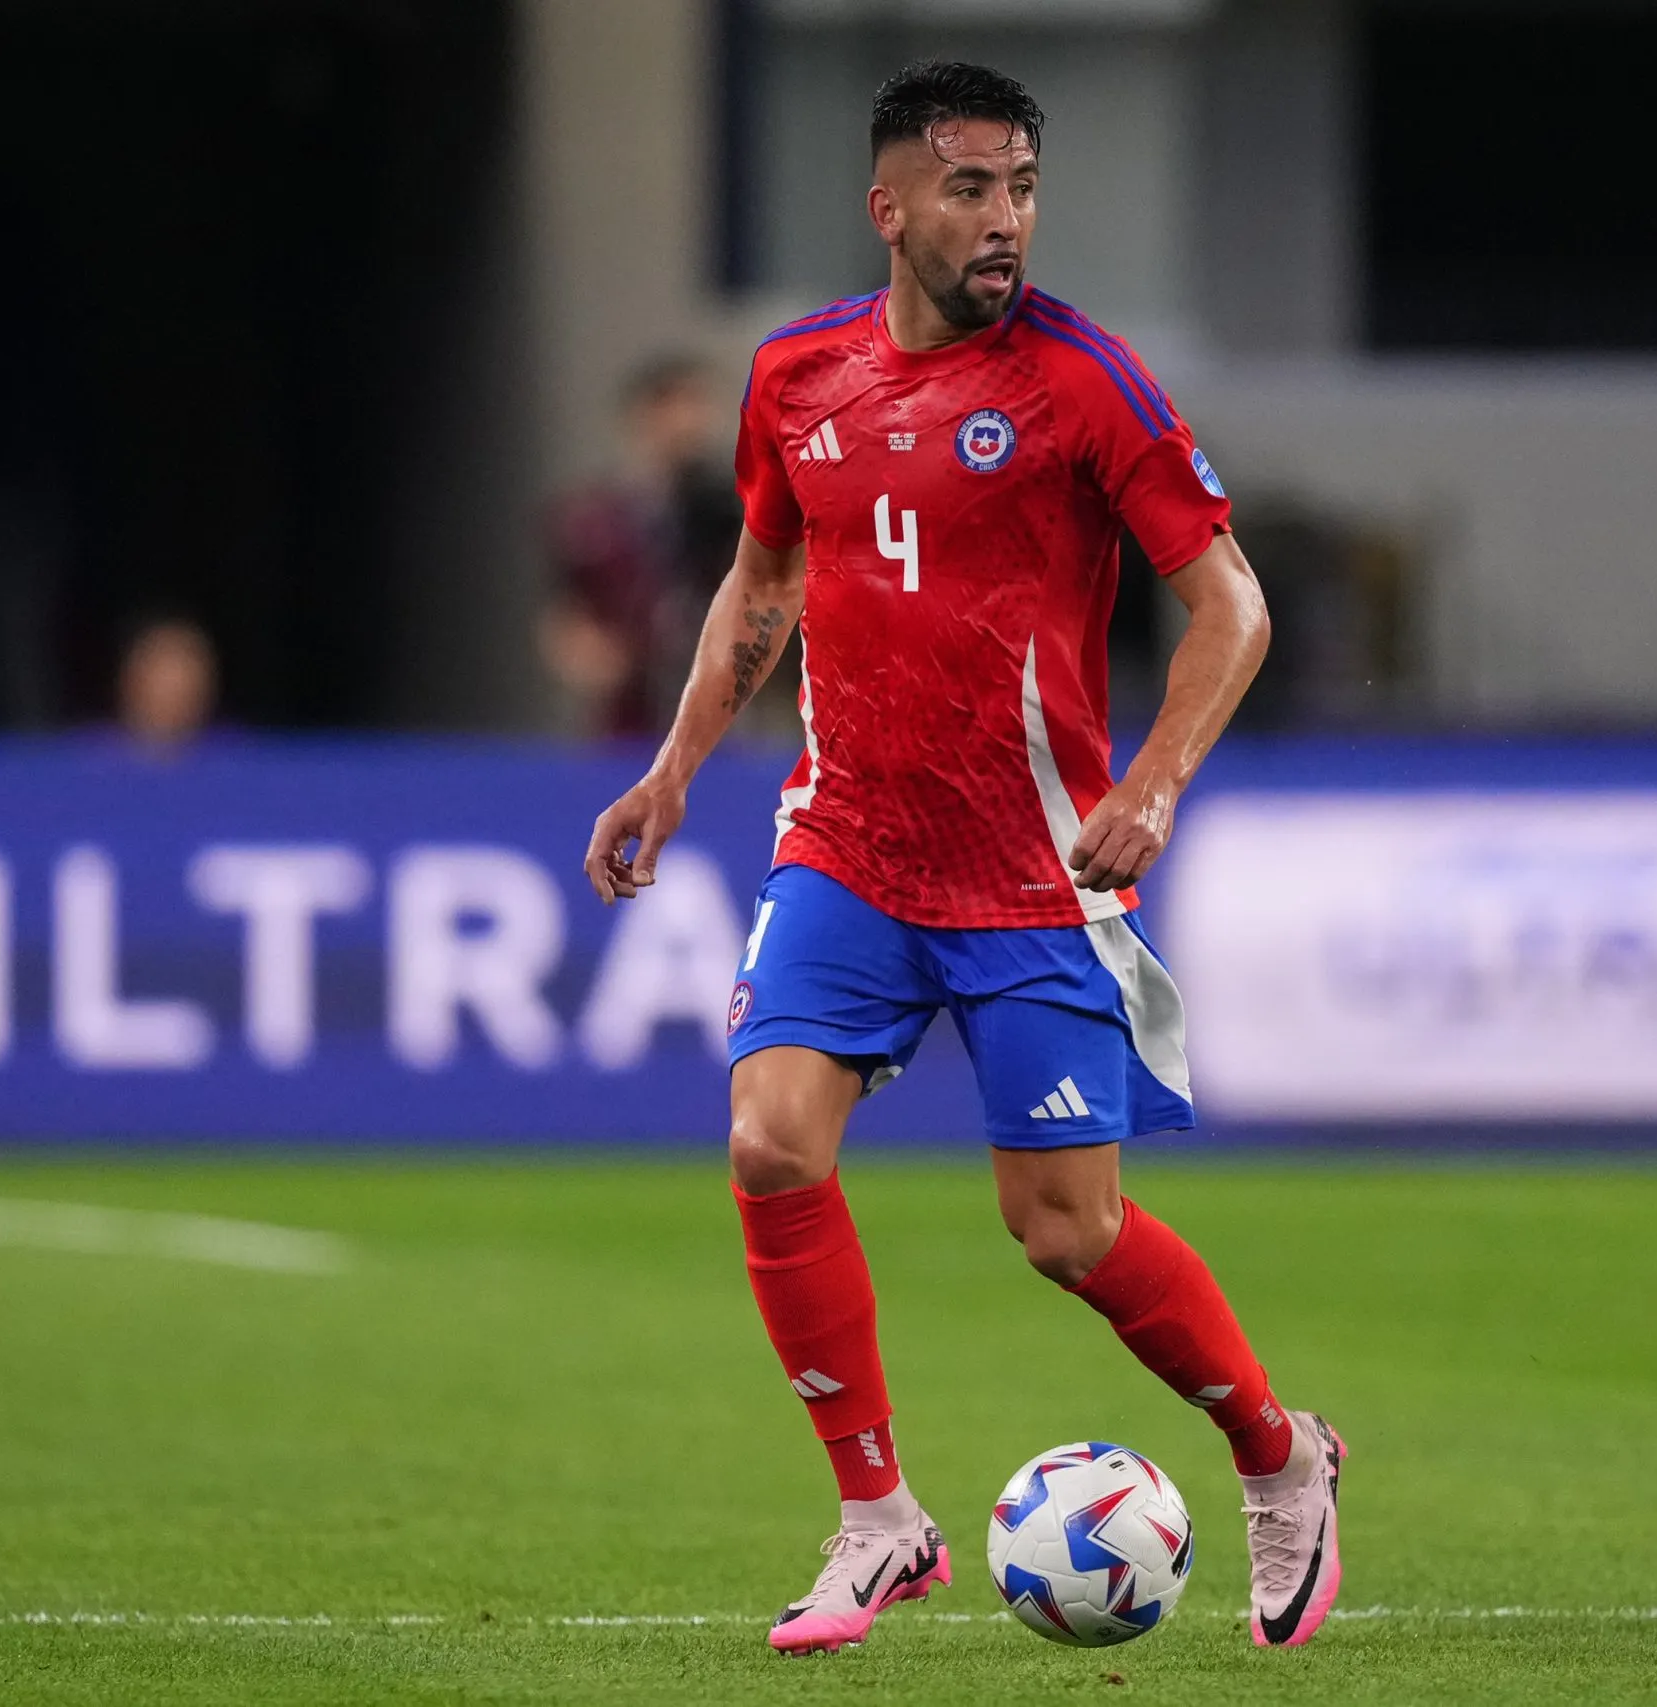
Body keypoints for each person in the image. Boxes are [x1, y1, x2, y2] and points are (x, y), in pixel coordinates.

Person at [583, 62, 1342, 1656]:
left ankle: (1279, 1452)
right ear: (891, 205)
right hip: (847, 838)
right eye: (971, 189)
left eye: (1023, 189)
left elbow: (1235, 606)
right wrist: (669, 771)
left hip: (1029, 869)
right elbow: (760, 582)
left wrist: (1154, 782)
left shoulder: (1088, 382)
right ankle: (878, 1517)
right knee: (771, 1142)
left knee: (1064, 1228)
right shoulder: (795, 374)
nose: (1004, 222)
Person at [539, 356, 750, 737]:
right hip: (628, 718)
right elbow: (567, 615)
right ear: (646, 414)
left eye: (701, 404)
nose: (693, 421)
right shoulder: (594, 520)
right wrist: (592, 658)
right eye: (679, 404)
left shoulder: (735, 512)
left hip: (720, 713)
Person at [116, 614, 220, 752]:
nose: (171, 699)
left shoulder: (244, 758)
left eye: (182, 692)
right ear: (131, 682)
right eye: (162, 686)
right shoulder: (84, 759)